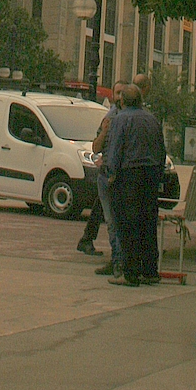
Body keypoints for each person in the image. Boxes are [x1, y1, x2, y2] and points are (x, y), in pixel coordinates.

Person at [105, 84, 165, 285]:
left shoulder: (120, 119)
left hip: (129, 175)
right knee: (148, 223)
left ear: (123, 101)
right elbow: (161, 150)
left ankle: (130, 273)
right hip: (151, 175)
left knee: (128, 224)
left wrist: (111, 174)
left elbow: (115, 149)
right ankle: (150, 270)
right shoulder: (152, 119)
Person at [77, 84, 125, 270]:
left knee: (108, 212)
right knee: (110, 216)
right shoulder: (110, 118)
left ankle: (91, 239)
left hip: (113, 173)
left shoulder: (123, 117)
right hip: (109, 173)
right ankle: (117, 259)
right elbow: (95, 147)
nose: (120, 96)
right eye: (117, 92)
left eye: (123, 92)